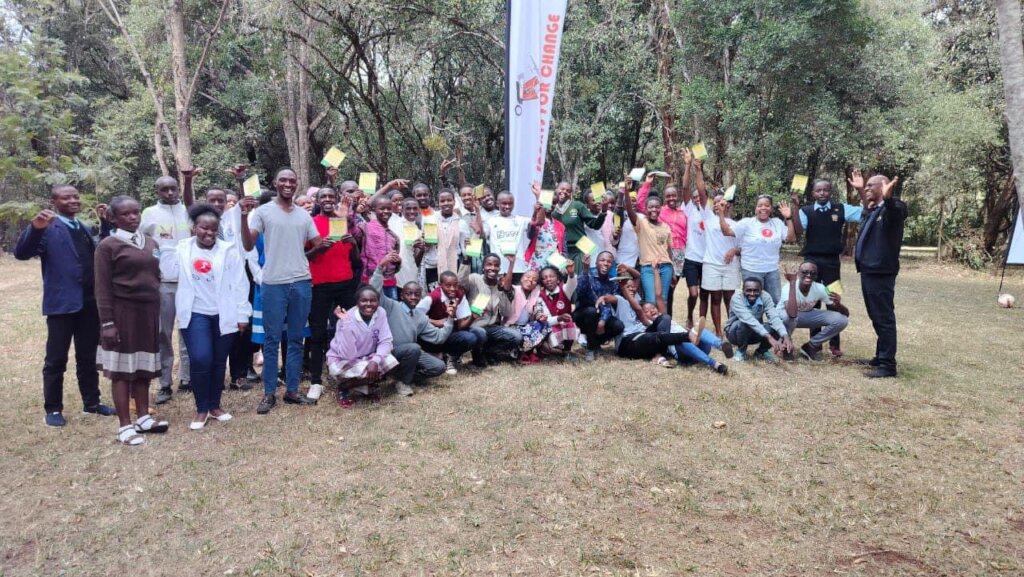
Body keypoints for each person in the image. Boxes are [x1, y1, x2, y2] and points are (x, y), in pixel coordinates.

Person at [15, 185, 114, 427]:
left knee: (87, 357)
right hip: (62, 304)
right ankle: (53, 409)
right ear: (54, 202)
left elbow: (101, 250)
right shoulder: (47, 228)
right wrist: (35, 228)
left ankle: (91, 403)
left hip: (89, 303)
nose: (72, 200)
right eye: (65, 197)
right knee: (56, 359)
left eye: (75, 197)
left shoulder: (83, 227)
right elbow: (21, 253)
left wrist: (105, 225)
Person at [161, 204, 251, 430]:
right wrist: (167, 245)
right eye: (204, 228)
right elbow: (169, 272)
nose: (209, 233)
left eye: (213, 229)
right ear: (194, 228)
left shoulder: (228, 250)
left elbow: (240, 283)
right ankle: (201, 408)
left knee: (219, 361)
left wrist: (242, 313)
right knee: (201, 358)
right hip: (195, 313)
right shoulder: (182, 248)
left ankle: (215, 406)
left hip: (224, 313)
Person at [238, 167, 321, 414]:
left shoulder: (304, 215)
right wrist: (243, 216)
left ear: (297, 184)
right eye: (283, 180)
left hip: (301, 282)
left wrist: (301, 256)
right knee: (272, 340)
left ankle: (292, 390)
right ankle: (269, 393)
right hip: (273, 283)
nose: (288, 184)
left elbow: (318, 243)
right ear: (275, 183)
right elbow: (248, 244)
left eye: (292, 181)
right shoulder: (263, 212)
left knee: (296, 339)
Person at [94, 196, 169, 446]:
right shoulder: (108, 246)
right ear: (113, 218)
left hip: (147, 313)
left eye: (135, 212)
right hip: (122, 312)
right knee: (122, 370)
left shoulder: (150, 242)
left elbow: (155, 274)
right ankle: (125, 425)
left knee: (143, 365)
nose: (132, 217)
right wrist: (107, 323)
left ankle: (143, 417)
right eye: (125, 214)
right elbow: (102, 287)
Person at [139, 170, 195, 404]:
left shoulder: (188, 210)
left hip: (189, 282)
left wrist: (189, 181)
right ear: (157, 191)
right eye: (165, 189)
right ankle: (164, 383)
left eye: (173, 188)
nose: (170, 193)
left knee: (188, 329)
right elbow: (141, 243)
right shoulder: (149, 214)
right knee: (163, 332)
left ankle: (187, 378)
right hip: (163, 283)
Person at [791, 179, 863, 358]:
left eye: (826, 190)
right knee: (813, 302)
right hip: (811, 262)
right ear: (813, 193)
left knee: (833, 300)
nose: (822, 193)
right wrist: (795, 207)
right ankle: (815, 344)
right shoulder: (806, 211)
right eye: (818, 190)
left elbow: (864, 213)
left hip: (832, 263)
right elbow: (798, 231)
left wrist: (861, 190)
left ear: (831, 192)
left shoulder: (841, 209)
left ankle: (834, 344)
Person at [305, 187, 362, 401]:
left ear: (336, 199)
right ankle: (316, 381)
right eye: (324, 197)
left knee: (349, 330)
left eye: (331, 196)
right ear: (317, 201)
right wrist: (319, 249)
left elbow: (355, 261)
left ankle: (349, 375)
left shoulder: (342, 222)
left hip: (345, 284)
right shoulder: (310, 223)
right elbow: (304, 256)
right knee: (318, 333)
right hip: (320, 285)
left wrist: (353, 244)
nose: (328, 199)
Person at [369, 255, 452, 396]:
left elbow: (438, 337)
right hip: (390, 352)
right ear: (402, 295)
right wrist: (380, 268)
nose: (413, 297)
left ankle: (402, 376)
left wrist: (450, 318)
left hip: (412, 353)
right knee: (413, 348)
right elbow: (374, 292)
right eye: (409, 294)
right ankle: (403, 382)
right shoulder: (391, 306)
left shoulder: (420, 317)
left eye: (417, 294)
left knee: (439, 367)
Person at [851, 171, 905, 378]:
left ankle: (888, 365)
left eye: (870, 186)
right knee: (876, 316)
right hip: (868, 271)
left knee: (884, 317)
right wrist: (860, 190)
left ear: (883, 187)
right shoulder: (874, 209)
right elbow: (869, 208)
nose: (867, 188)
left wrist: (889, 198)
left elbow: (894, 210)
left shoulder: (894, 208)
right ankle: (880, 356)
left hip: (881, 272)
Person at [326, 286, 400, 407]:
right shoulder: (346, 319)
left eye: (373, 300)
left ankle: (364, 386)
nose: (368, 304)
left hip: (366, 356)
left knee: (392, 362)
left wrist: (375, 360)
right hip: (342, 359)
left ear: (378, 302)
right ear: (357, 303)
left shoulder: (381, 312)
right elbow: (348, 355)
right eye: (364, 300)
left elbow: (386, 341)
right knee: (368, 369)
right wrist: (346, 324)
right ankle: (344, 387)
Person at [719, 194, 796, 303]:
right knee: (753, 303)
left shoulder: (777, 223)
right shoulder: (747, 223)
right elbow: (726, 232)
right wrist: (721, 213)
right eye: (760, 205)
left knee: (775, 302)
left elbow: (791, 238)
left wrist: (788, 218)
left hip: (772, 271)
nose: (763, 208)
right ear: (755, 208)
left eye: (767, 205)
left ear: (771, 209)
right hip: (751, 270)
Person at [612, 279, 703, 366]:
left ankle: (659, 354)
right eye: (628, 287)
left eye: (633, 286)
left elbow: (637, 276)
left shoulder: (636, 298)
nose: (632, 288)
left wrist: (627, 270)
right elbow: (610, 299)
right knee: (656, 336)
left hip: (643, 334)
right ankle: (688, 336)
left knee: (665, 317)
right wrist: (621, 289)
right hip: (627, 341)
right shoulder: (619, 299)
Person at [636, 171, 688, 315]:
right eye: (668, 196)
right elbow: (640, 204)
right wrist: (647, 183)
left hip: (674, 257)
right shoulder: (660, 210)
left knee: (668, 294)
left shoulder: (682, 212)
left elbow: (682, 236)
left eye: (674, 195)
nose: (671, 198)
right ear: (664, 198)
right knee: (654, 298)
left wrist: (674, 265)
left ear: (677, 196)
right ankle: (658, 321)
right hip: (653, 257)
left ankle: (667, 320)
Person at [572, 251, 638, 361]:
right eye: (602, 260)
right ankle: (591, 348)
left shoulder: (613, 281)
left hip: (601, 313)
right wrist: (585, 269)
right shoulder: (587, 275)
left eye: (609, 262)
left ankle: (594, 343)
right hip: (583, 314)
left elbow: (608, 301)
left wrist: (603, 320)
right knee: (591, 312)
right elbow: (581, 292)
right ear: (596, 263)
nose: (606, 264)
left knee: (618, 326)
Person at [778, 263, 849, 362]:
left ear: (816, 276)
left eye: (812, 273)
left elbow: (846, 314)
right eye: (805, 272)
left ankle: (810, 346)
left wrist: (838, 304)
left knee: (842, 320)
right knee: (789, 316)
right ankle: (786, 345)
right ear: (799, 273)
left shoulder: (820, 288)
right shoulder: (788, 287)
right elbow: (792, 313)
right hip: (785, 317)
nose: (808, 275)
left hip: (805, 315)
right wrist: (792, 283)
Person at [459, 254, 522, 363]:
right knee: (481, 333)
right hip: (474, 326)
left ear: (499, 268)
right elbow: (460, 283)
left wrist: (503, 292)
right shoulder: (475, 279)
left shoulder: (500, 284)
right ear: (483, 267)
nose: (492, 268)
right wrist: (466, 259)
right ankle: (477, 353)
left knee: (517, 337)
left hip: (492, 328)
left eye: (496, 265)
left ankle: (490, 352)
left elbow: (506, 312)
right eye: (489, 264)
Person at [416, 269, 480, 373]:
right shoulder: (433, 297)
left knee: (477, 334)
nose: (452, 289)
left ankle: (452, 357)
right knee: (468, 336)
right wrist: (434, 322)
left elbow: (461, 326)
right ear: (440, 285)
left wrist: (472, 317)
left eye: (455, 285)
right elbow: (414, 315)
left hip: (450, 333)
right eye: (448, 285)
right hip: (433, 336)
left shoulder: (460, 295)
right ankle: (437, 354)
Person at [623, 185, 673, 313]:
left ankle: (664, 324)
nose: (654, 209)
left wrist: (672, 270)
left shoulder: (666, 227)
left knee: (663, 299)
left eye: (657, 207)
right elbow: (629, 211)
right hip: (648, 267)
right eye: (651, 207)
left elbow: (668, 249)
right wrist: (626, 191)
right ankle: (652, 324)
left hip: (666, 267)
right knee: (651, 301)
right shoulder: (642, 223)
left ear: (660, 208)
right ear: (645, 209)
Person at [640, 302, 730, 374]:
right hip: (683, 353)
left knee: (701, 331)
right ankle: (715, 364)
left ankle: (721, 345)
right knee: (682, 340)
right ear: (643, 316)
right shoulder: (649, 328)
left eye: (653, 307)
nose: (652, 311)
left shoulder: (666, 318)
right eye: (647, 311)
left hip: (698, 347)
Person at [725, 277, 793, 363]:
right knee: (744, 323)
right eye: (748, 290)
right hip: (734, 333)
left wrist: (785, 336)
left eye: (756, 290)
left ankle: (761, 351)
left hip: (755, 332)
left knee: (776, 325)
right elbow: (748, 319)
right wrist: (769, 337)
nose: (752, 293)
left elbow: (774, 317)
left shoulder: (765, 296)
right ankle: (741, 351)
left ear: (761, 290)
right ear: (743, 290)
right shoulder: (737, 298)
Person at [702, 194, 741, 337]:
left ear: (728, 204)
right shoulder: (709, 219)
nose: (717, 204)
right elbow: (702, 192)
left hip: (730, 266)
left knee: (730, 299)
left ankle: (730, 329)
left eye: (721, 202)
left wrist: (734, 251)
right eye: (715, 202)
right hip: (712, 265)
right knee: (715, 298)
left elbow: (743, 247)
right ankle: (718, 332)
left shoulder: (737, 224)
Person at [681, 150, 711, 328]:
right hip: (692, 258)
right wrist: (688, 165)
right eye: (694, 198)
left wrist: (699, 169)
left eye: (699, 196)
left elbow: (701, 189)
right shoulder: (689, 210)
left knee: (705, 294)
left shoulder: (709, 211)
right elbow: (685, 188)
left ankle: (700, 323)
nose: (696, 199)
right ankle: (689, 316)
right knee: (694, 293)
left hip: (707, 259)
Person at [551, 181, 608, 271]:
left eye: (568, 191)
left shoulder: (577, 205)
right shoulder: (552, 210)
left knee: (578, 277)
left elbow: (594, 225)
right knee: (563, 277)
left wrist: (603, 212)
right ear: (556, 190)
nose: (565, 192)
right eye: (562, 189)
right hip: (560, 251)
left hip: (579, 250)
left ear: (571, 194)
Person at [473, 192, 531, 279]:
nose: (507, 206)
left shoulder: (521, 220)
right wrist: (477, 210)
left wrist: (538, 198)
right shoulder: (491, 221)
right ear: (497, 204)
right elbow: (482, 235)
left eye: (510, 204)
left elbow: (537, 222)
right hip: (499, 269)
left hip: (518, 268)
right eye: (504, 203)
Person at [503, 268, 550, 363]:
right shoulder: (514, 290)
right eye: (528, 277)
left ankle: (526, 352)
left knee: (545, 325)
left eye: (534, 279)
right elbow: (507, 288)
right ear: (521, 279)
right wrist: (511, 266)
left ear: (536, 284)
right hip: (511, 326)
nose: (530, 280)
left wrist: (540, 316)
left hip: (526, 326)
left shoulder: (536, 294)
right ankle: (525, 352)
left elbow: (538, 309)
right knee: (518, 335)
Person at [360, 195, 402, 298]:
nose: (386, 211)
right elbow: (351, 228)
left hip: (389, 282)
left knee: (391, 307)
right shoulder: (365, 227)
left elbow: (395, 262)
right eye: (382, 208)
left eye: (389, 208)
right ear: (374, 210)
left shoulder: (392, 235)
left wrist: (397, 261)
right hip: (371, 280)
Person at [536, 264, 579, 356]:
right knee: (546, 349)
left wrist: (571, 273)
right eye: (544, 278)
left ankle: (567, 350)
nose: (548, 279)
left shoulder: (564, 289)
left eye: (552, 276)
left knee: (570, 324)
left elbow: (572, 284)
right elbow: (546, 319)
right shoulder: (540, 296)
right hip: (549, 327)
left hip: (564, 325)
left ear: (558, 279)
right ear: (542, 282)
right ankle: (548, 347)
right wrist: (559, 318)